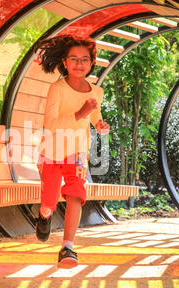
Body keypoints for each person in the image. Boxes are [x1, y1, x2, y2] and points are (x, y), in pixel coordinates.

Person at [33, 35, 110, 269]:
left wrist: (99, 124)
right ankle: (44, 215)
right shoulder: (57, 88)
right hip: (53, 151)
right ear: (65, 62)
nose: (79, 64)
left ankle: (67, 247)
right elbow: (50, 123)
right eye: (74, 59)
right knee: (49, 201)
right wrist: (80, 112)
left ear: (91, 62)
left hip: (77, 151)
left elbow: (94, 114)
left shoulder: (96, 92)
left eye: (84, 59)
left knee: (76, 193)